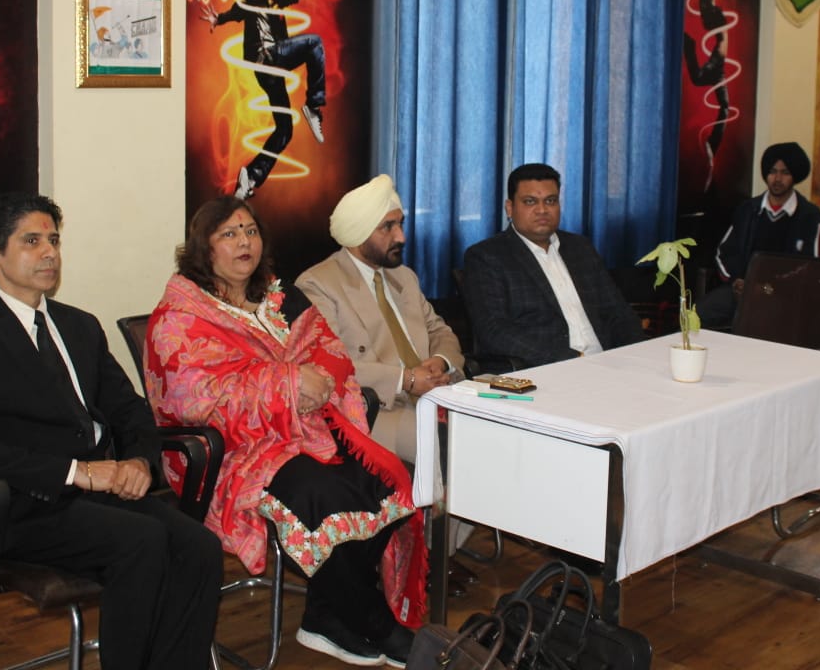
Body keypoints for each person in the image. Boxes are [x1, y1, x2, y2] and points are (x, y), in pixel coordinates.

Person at [0, 192, 221, 670]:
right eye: (32, 241)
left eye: (54, 241)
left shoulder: (79, 327)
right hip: (22, 506)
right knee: (141, 541)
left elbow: (130, 410)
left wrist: (138, 461)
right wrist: (77, 472)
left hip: (97, 495)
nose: (49, 253)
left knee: (199, 546)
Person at [146, 196, 424, 667]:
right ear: (203, 247)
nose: (244, 242)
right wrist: (290, 384)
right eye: (229, 234)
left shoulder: (280, 295)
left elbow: (329, 348)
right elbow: (193, 398)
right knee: (321, 492)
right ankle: (373, 623)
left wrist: (318, 383)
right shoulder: (182, 315)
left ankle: (327, 615)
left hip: (309, 428)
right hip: (233, 451)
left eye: (250, 231)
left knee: (387, 478)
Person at [296, 175, 463, 463]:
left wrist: (439, 362)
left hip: (437, 391)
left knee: (504, 428)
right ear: (359, 231)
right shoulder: (318, 284)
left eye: (400, 224)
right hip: (377, 407)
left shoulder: (403, 277)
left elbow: (440, 331)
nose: (401, 237)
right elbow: (329, 365)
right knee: (451, 446)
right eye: (388, 227)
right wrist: (407, 380)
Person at [461, 163, 644, 371]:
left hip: (609, 362)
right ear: (510, 208)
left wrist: (636, 354)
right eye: (530, 201)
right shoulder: (487, 257)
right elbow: (494, 331)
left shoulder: (580, 248)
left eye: (550, 201)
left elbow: (618, 312)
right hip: (549, 369)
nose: (542, 210)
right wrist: (571, 359)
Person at [196, 0, 326, 200]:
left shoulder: (272, 10)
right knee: (314, 43)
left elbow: (238, 11)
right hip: (267, 56)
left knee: (284, 129)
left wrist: (219, 19)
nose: (286, 5)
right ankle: (313, 106)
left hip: (269, 71)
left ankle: (250, 179)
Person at [697, 142, 820, 328]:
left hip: (785, 296)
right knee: (695, 316)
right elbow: (723, 253)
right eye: (772, 172)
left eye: (785, 173)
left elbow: (815, 268)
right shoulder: (748, 210)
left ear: (795, 176)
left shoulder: (810, 216)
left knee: (761, 321)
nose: (777, 179)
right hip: (741, 290)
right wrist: (736, 281)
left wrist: (766, 287)